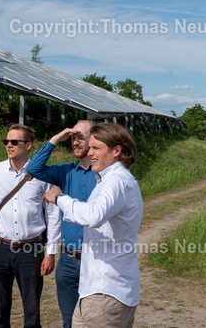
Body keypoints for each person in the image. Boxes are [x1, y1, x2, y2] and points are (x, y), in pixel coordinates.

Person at [44, 122, 143, 328]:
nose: (90, 153)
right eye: (90, 147)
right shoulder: (115, 179)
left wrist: (60, 199)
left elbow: (94, 216)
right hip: (108, 289)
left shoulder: (115, 181)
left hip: (104, 293)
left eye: (96, 148)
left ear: (117, 150)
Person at [0, 124, 61, 328]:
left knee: (32, 312)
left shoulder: (43, 174)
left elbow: (53, 214)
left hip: (31, 250)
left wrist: (50, 252)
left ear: (29, 145)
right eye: (6, 141)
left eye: (14, 142)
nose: (9, 145)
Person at [26, 120, 100, 328]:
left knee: (95, 321)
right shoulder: (65, 171)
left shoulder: (105, 175)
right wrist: (56, 139)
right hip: (67, 261)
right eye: (72, 138)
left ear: (94, 140)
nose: (75, 142)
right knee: (69, 321)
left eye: (80, 137)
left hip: (96, 259)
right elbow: (33, 168)